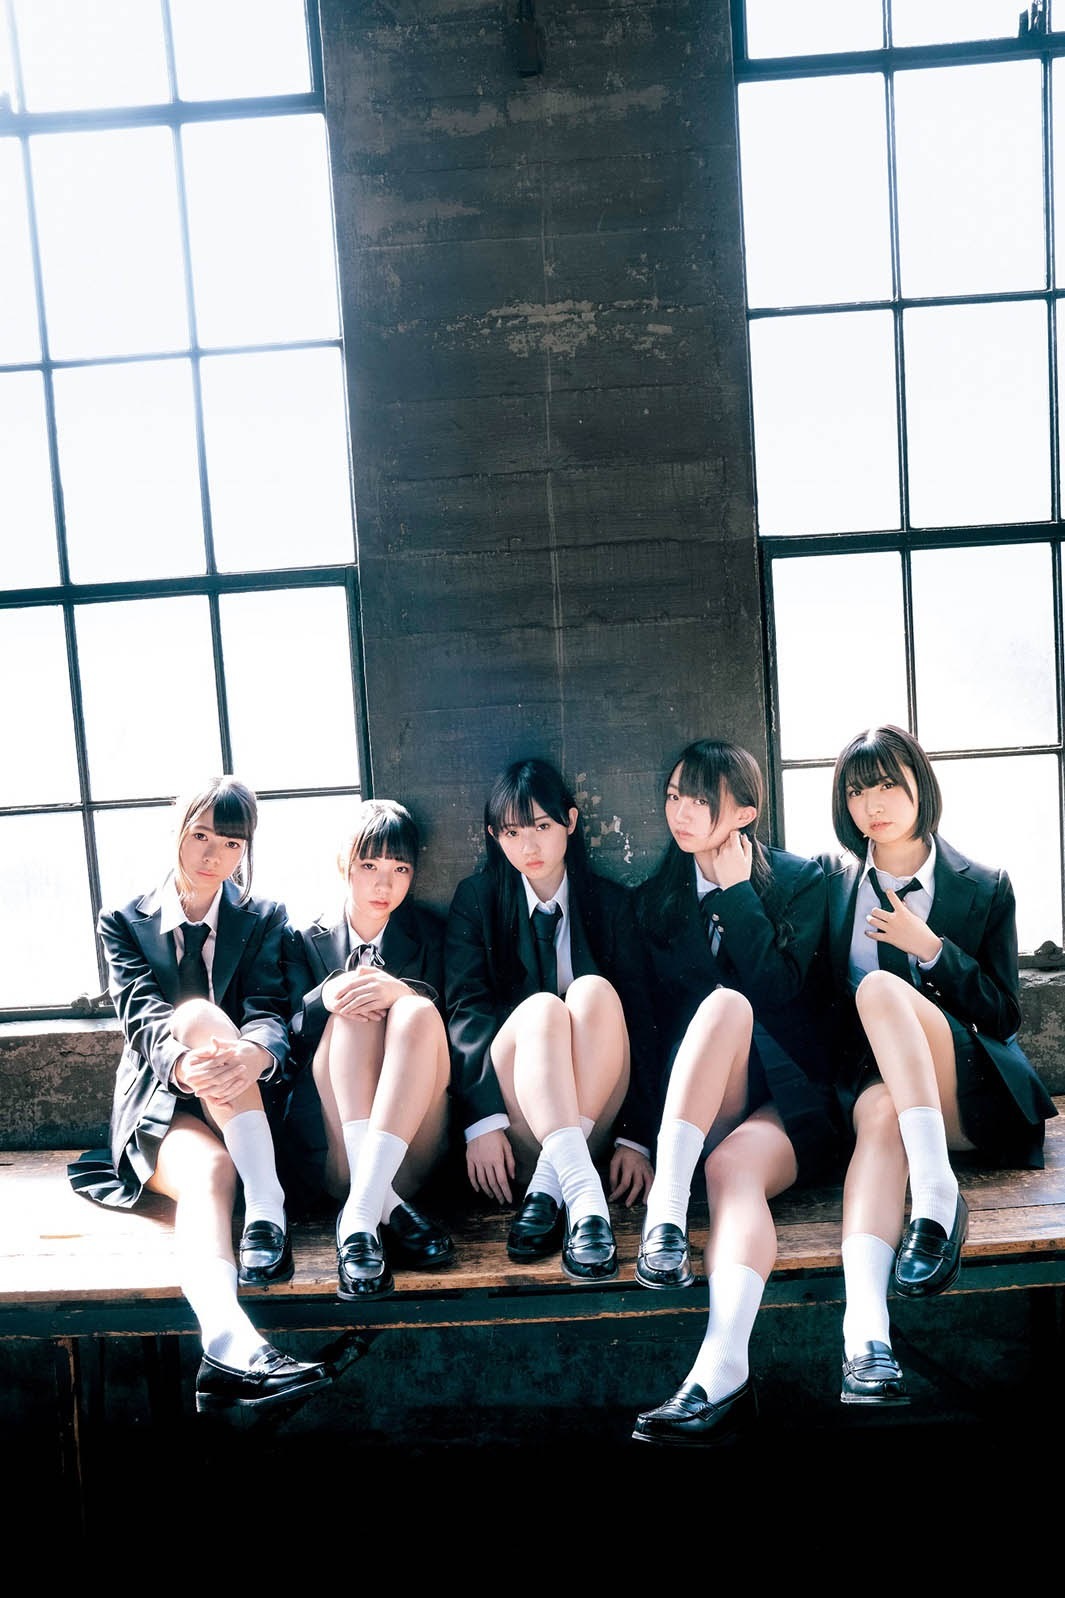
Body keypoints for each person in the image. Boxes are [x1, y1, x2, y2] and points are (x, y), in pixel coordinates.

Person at [68, 776, 332, 1416]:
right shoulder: (123, 920)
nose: (214, 855)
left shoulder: (264, 916)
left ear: (246, 851)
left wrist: (257, 1053)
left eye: (232, 844)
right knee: (208, 1149)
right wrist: (186, 1064)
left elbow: (269, 1008)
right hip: (162, 1101)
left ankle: (230, 1336)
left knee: (209, 1023)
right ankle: (233, 1323)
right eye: (202, 836)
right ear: (178, 832)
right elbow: (141, 1015)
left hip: (244, 1097)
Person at [818, 724, 1058, 1408]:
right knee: (878, 1114)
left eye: (887, 784)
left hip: (967, 1093)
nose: (872, 804)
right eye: (856, 791)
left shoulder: (984, 885)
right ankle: (864, 1334)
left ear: (920, 786)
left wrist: (931, 949)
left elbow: (1004, 1015)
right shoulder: (830, 886)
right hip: (882, 1095)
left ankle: (935, 1190)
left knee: (879, 988)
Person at [630, 738, 840, 1447]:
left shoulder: (801, 880)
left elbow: (783, 992)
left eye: (700, 800)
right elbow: (643, 1028)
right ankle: (665, 1212)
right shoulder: (653, 900)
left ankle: (720, 1369)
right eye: (673, 797)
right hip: (698, 1105)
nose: (681, 813)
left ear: (744, 812)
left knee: (731, 1173)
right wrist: (633, 1139)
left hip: (787, 1097)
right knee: (720, 1008)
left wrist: (737, 893)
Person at [444, 756, 660, 1283]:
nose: (529, 846)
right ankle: (581, 1198)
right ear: (495, 837)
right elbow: (465, 1010)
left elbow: (644, 1024)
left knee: (592, 993)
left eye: (542, 826)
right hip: (515, 1116)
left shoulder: (610, 904)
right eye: (513, 832)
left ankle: (552, 1184)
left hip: (593, 1119)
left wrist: (635, 1139)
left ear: (571, 821)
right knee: (543, 1009)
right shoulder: (478, 900)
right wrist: (482, 1123)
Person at [282, 798, 454, 1301]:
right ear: (344, 864)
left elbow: (457, 1026)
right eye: (369, 866)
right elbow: (285, 1037)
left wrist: (401, 992)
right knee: (352, 1006)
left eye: (400, 869)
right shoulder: (301, 939)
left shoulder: (433, 935)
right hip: (336, 1146)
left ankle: (361, 1216)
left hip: (416, 1142)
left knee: (415, 1010)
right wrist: (326, 997)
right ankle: (377, 1209)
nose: (384, 885)